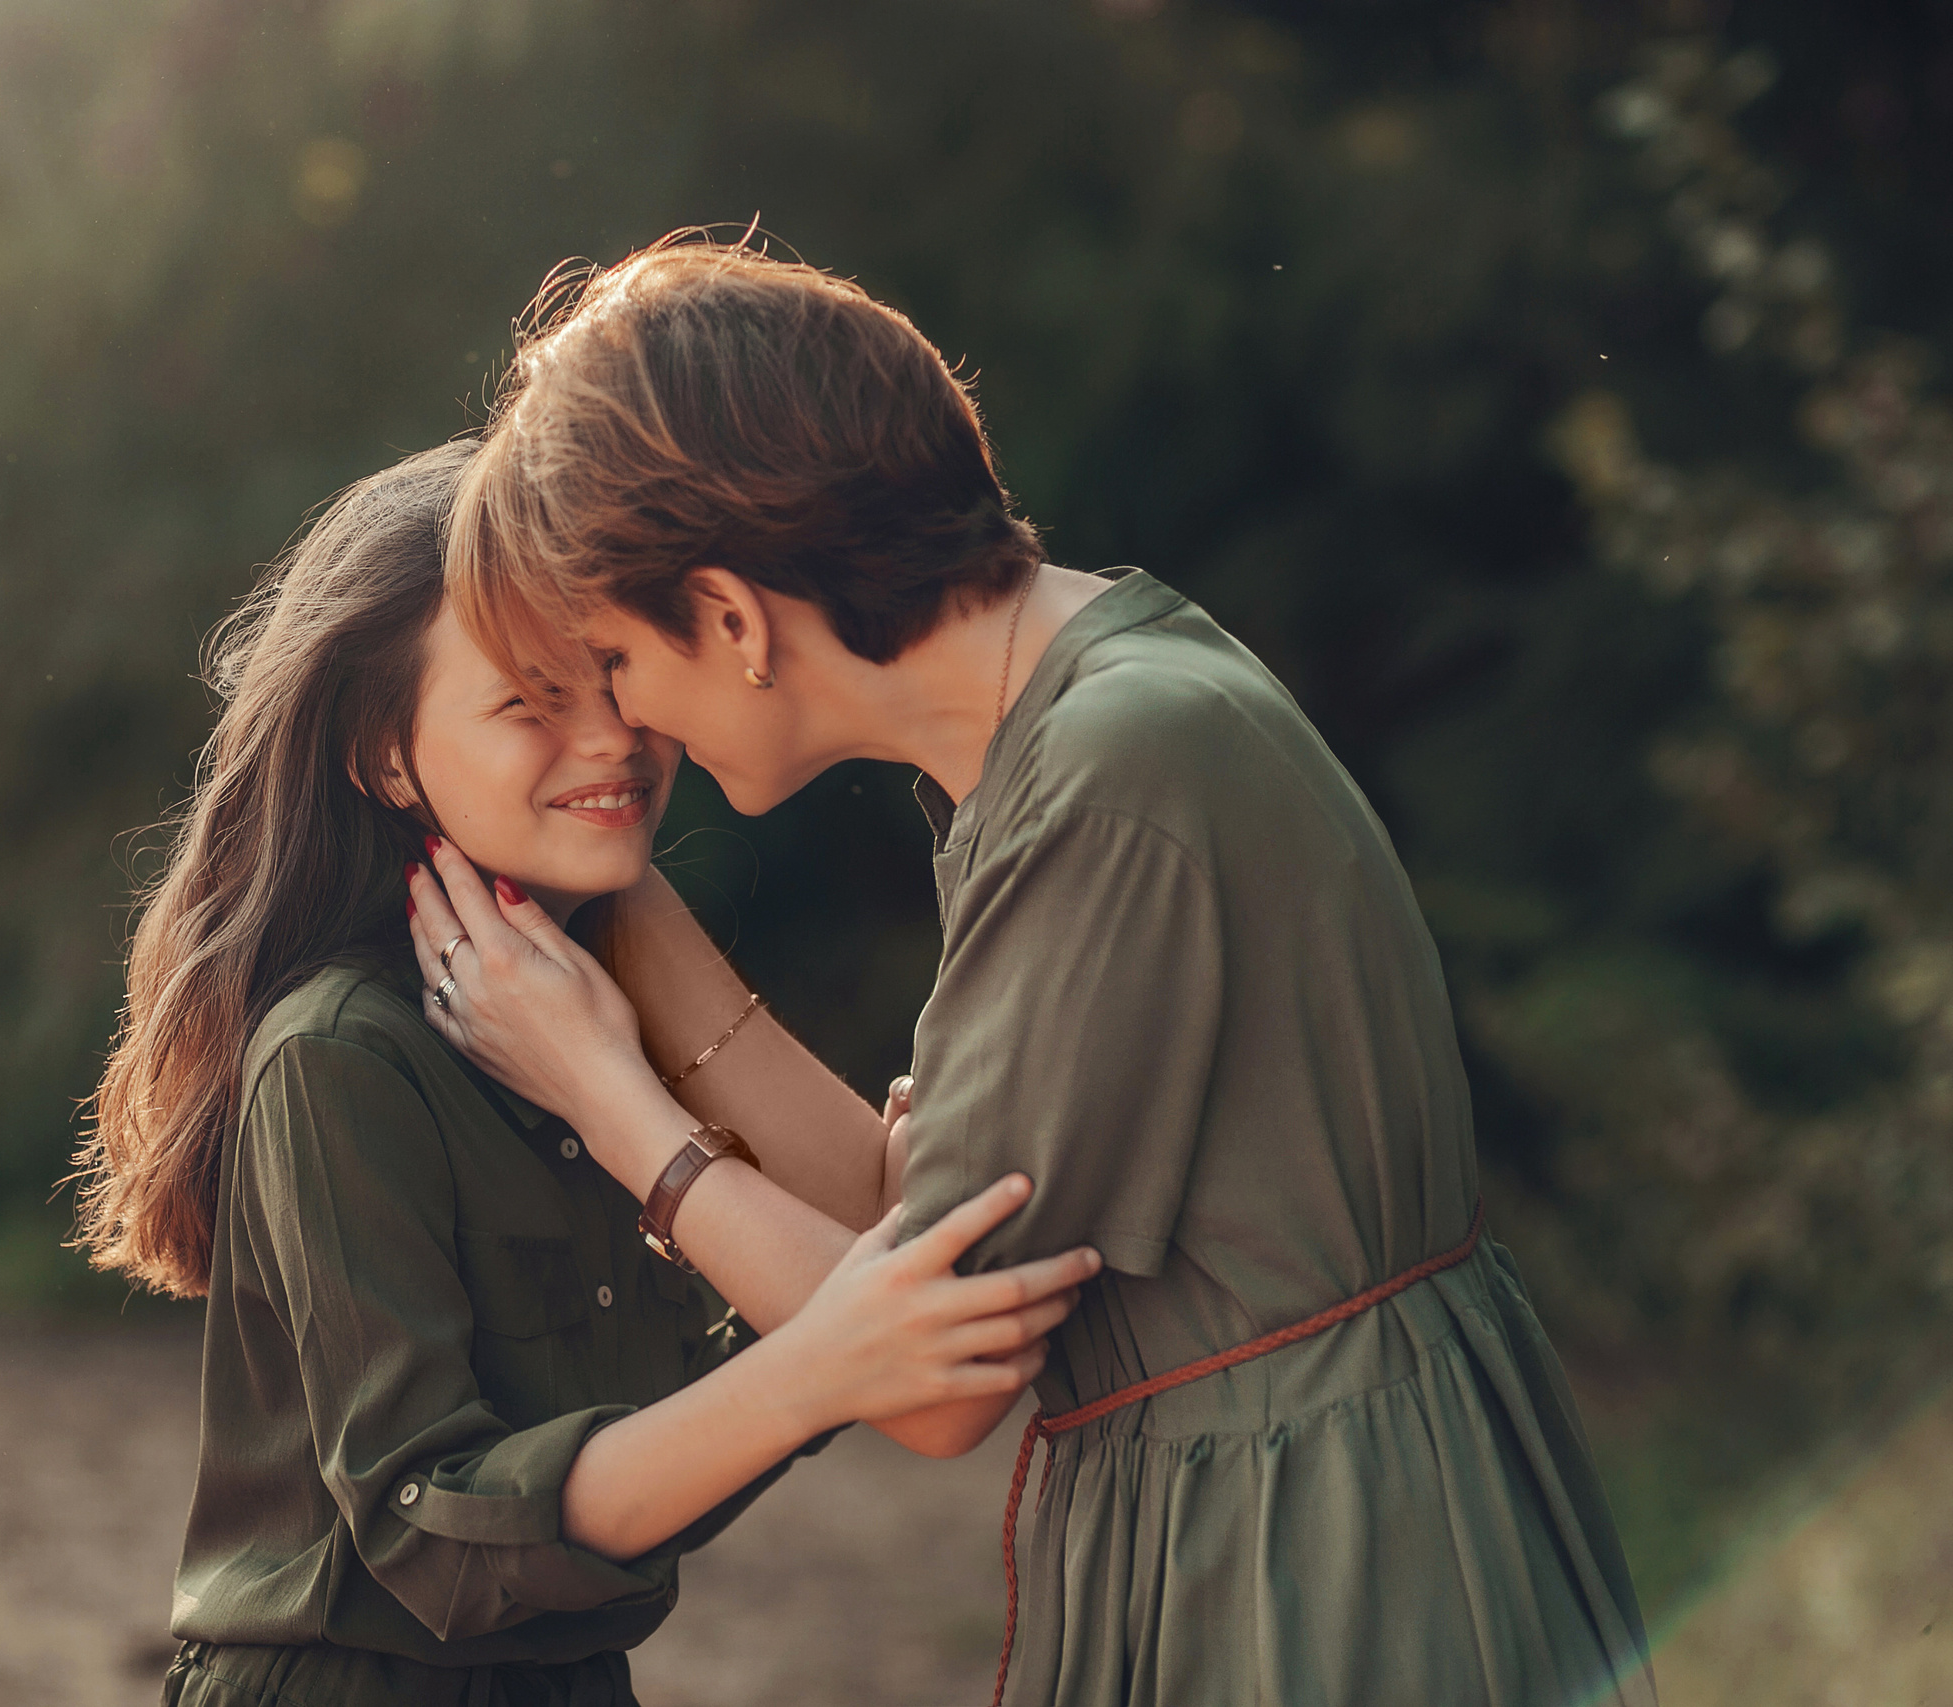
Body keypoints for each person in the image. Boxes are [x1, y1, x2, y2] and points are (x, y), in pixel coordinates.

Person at [405, 239, 1657, 1706]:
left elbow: (937, 1365)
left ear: (734, 620)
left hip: (1314, 1552)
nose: (620, 722)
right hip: (1274, 1500)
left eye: (614, 659)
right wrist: (625, 904)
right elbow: (909, 1216)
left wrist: (606, 1096)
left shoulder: (1113, 772)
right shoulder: (1072, 715)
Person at [72, 440, 1096, 1707]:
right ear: (386, 757)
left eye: (612, 675)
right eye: (528, 702)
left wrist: (635, 1043)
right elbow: (428, 1535)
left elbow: (828, 1316)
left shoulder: (587, 1005)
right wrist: (814, 1359)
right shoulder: (342, 1049)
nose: (612, 738)